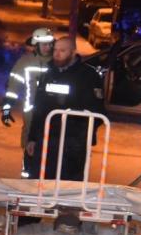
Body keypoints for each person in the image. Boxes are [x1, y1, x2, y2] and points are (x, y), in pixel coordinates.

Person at [25, 36, 105, 181]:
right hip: (47, 138)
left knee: (68, 185)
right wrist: (32, 138)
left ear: (73, 52)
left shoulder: (88, 76)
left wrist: (80, 137)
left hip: (73, 143)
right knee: (40, 181)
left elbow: (97, 111)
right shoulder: (48, 74)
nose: (57, 54)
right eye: (55, 50)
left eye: (62, 50)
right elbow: (39, 109)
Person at [1, 27, 54, 177]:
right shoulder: (25, 62)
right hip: (32, 113)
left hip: (54, 113)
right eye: (44, 44)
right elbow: (13, 86)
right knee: (30, 146)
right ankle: (27, 177)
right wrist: (6, 109)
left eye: (50, 44)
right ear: (36, 44)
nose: (48, 47)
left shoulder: (58, 62)